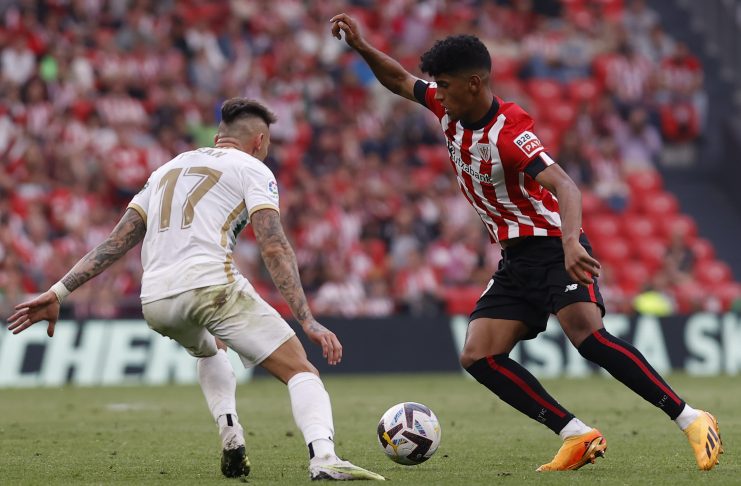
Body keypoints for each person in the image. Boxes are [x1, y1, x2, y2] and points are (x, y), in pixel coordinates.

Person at [330, 14, 723, 472]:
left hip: (553, 244)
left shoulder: (510, 132)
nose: (438, 93)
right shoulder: (446, 106)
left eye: (446, 85)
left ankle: (691, 418)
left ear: (474, 84)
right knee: (478, 355)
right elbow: (399, 80)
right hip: (516, 258)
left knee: (588, 337)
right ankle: (576, 434)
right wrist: (362, 46)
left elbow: (566, 186)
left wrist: (572, 244)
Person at [7, 98, 384, 481]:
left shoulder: (166, 170)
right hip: (210, 283)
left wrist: (59, 292)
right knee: (300, 368)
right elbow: (273, 246)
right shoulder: (253, 168)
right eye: (267, 144)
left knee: (211, 346)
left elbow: (115, 243)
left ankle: (230, 431)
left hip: (155, 299)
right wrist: (307, 319)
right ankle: (324, 457)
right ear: (259, 140)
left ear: (219, 136)